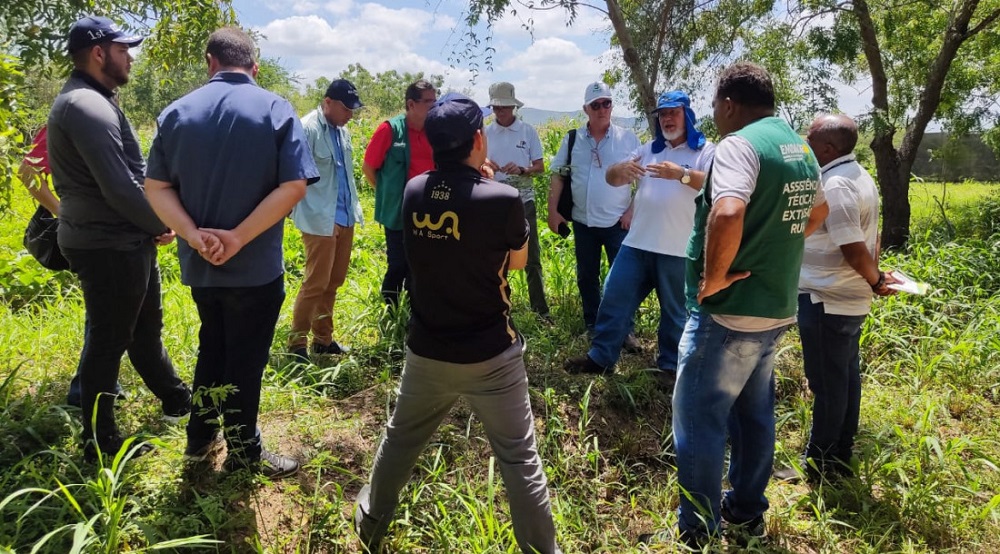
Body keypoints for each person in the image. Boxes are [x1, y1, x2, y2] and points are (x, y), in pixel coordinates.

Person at [353, 94, 561, 554]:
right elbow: (520, 263)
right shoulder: (502, 199)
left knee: (401, 440)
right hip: (492, 355)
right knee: (519, 459)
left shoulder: (414, 191)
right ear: (478, 140)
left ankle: (370, 527)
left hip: (427, 350)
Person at [654, 62, 829, 545]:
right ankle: (747, 510)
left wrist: (713, 278)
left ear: (729, 104)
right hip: (775, 307)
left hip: (727, 313)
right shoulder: (797, 147)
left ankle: (697, 530)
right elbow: (818, 212)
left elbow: (727, 210)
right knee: (754, 415)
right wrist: (771, 247)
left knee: (699, 421)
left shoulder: (739, 145)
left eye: (714, 106)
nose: (715, 115)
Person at [144, 27, 319, 478]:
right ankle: (244, 453)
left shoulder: (176, 112)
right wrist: (239, 237)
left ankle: (199, 440)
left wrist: (193, 235)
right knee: (246, 359)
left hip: (201, 266)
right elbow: (294, 185)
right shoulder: (276, 108)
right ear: (254, 67)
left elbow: (156, 187)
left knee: (213, 346)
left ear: (210, 62)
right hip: (255, 268)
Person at [47, 15, 191, 460]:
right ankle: (99, 442)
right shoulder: (85, 107)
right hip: (106, 244)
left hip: (123, 240)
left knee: (144, 328)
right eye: (123, 49)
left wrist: (152, 223)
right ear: (98, 52)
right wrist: (162, 223)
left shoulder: (95, 100)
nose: (130, 57)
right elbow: (119, 186)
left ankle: (175, 397)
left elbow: (130, 176)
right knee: (109, 340)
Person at [776, 113, 897, 483]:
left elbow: (853, 248)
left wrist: (876, 280)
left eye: (810, 138)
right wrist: (873, 280)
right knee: (844, 378)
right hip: (844, 298)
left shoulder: (836, 185)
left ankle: (819, 463)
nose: (804, 142)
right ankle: (840, 453)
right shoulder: (858, 175)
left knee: (826, 385)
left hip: (827, 298)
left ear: (827, 148)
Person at [564, 91, 715, 381]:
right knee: (615, 295)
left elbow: (714, 182)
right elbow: (613, 178)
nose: (668, 119)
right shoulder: (649, 150)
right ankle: (601, 357)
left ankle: (669, 368)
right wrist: (618, 170)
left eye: (674, 112)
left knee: (673, 312)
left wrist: (681, 174)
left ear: (687, 114)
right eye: (663, 115)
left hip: (677, 247)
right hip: (637, 242)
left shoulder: (704, 151)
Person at [19, 126, 128, 406]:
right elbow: (27, 171)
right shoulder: (66, 121)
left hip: (107, 232)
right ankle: (87, 391)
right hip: (88, 233)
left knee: (106, 308)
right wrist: (61, 211)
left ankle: (98, 384)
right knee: (103, 308)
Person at [548, 82, 640, 338]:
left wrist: (632, 211)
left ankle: (625, 329)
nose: (602, 109)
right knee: (587, 277)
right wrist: (552, 210)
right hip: (583, 222)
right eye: (596, 105)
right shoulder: (572, 139)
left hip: (617, 223)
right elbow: (557, 175)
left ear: (612, 105)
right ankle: (592, 325)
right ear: (586, 109)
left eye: (606, 103)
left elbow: (644, 181)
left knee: (622, 279)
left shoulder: (628, 139)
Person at [287, 79, 365, 360]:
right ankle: (297, 344)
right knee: (315, 283)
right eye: (346, 108)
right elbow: (293, 172)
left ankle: (323, 339)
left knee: (334, 281)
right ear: (328, 102)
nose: (350, 115)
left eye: (352, 110)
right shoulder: (308, 128)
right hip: (320, 216)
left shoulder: (342, 132)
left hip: (344, 215)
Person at [362, 79, 437, 307]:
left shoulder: (434, 131)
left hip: (428, 211)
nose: (434, 107)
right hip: (398, 211)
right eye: (428, 102)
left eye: (435, 101)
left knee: (422, 265)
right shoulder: (390, 130)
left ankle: (416, 312)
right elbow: (368, 167)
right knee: (398, 264)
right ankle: (390, 311)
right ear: (411, 104)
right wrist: (387, 193)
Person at [482, 81, 550, 319]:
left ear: (513, 107)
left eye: (505, 107)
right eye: (497, 108)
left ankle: (540, 311)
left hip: (524, 202)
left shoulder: (527, 131)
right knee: (496, 258)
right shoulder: (486, 133)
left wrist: (522, 170)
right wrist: (487, 164)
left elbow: (540, 166)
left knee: (532, 258)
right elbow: (478, 162)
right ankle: (499, 308)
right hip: (493, 203)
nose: (501, 112)